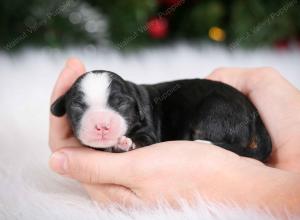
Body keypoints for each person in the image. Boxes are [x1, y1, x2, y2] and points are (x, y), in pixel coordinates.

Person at [49, 58, 300, 214]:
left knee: (211, 110)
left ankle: (222, 143)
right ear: (65, 109)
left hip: (220, 110)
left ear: (137, 105)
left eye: (118, 105)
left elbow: (147, 137)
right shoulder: (137, 107)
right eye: (81, 108)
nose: (101, 123)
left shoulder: (146, 112)